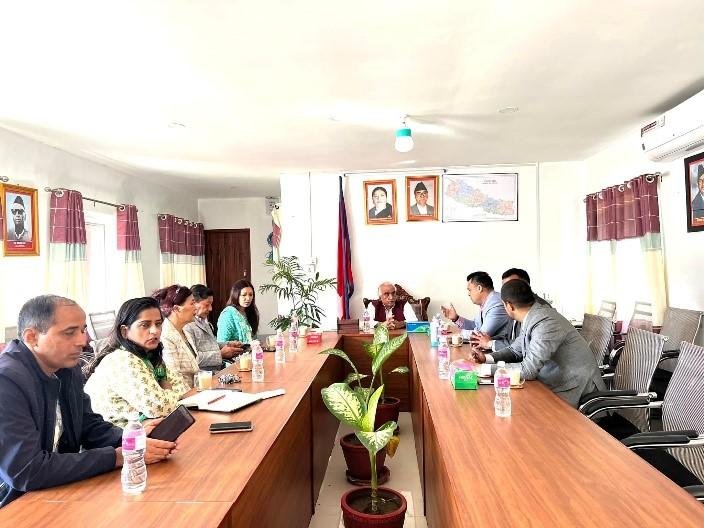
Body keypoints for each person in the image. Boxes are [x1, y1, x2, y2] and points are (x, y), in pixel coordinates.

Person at [0, 295, 177, 508]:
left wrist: (130, 439)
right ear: (32, 337)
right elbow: (26, 470)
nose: (83, 341)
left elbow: (88, 427)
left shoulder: (67, 368)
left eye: (83, 330)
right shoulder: (7, 381)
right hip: (16, 504)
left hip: (60, 492)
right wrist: (117, 457)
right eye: (70, 332)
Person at [471, 280, 605, 408]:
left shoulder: (545, 322)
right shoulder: (532, 316)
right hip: (553, 383)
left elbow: (528, 370)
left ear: (509, 306)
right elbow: (515, 350)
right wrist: (487, 358)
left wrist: (485, 370)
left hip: (575, 389)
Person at [84, 297, 189, 427]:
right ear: (124, 331)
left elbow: (184, 389)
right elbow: (159, 407)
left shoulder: (149, 355)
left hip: (140, 430)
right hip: (115, 436)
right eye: (145, 325)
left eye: (158, 324)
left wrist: (167, 395)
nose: (155, 331)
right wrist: (170, 394)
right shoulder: (122, 360)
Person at [470, 268, 550, 351]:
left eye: (512, 285)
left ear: (526, 286)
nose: (507, 291)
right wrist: (488, 342)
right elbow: (510, 337)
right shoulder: (514, 304)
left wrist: (490, 344)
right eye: (505, 287)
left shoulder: (540, 309)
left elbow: (524, 345)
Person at [184, 284, 243, 370]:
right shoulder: (187, 326)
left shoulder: (204, 322)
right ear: (194, 303)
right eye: (207, 305)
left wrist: (228, 344)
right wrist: (221, 354)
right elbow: (193, 358)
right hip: (203, 375)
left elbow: (210, 345)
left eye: (211, 304)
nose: (210, 309)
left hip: (218, 371)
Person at [441, 271, 511, 340]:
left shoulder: (497, 304)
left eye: (469, 290)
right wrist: (456, 318)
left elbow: (482, 334)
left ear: (479, 288)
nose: (468, 294)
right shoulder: (487, 302)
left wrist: (458, 333)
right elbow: (476, 326)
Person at [153, 285, 199, 389]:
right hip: (183, 394)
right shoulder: (166, 336)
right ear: (176, 309)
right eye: (192, 303)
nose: (196, 307)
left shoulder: (184, 331)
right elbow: (174, 380)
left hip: (195, 390)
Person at [217, 279, 260, 344]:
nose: (248, 298)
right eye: (244, 295)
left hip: (251, 349)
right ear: (236, 295)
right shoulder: (228, 314)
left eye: (251, 295)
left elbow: (253, 338)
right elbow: (221, 342)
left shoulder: (250, 312)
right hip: (234, 350)